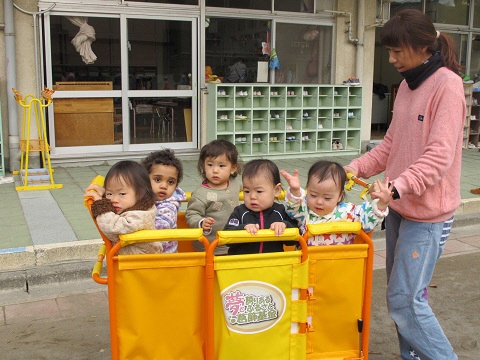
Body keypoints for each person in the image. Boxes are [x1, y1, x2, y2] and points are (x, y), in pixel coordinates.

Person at [344, 9, 463, 360]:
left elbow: (439, 155)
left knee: (405, 301)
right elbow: (391, 145)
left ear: (424, 47)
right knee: (402, 298)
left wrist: (396, 187)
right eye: (389, 51)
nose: (392, 59)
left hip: (427, 216)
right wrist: (353, 169)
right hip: (399, 209)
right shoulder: (408, 86)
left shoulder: (448, 86)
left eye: (398, 51)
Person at [280, 161, 392, 246]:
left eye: (327, 198)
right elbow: (292, 210)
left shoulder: (348, 212)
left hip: (339, 268)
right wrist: (295, 191)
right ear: (307, 190)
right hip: (308, 267)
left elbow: (368, 219)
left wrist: (382, 204)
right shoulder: (304, 209)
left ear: (339, 196)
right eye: (313, 195)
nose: (319, 201)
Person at [224, 159, 298, 255]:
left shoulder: (280, 211)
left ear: (276, 190)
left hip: (272, 266)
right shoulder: (239, 211)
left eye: (259, 191)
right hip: (243, 266)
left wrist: (285, 226)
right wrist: (243, 228)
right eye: (247, 191)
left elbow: (295, 240)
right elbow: (227, 238)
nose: (252, 196)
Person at [88, 160, 162, 255]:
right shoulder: (131, 204)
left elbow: (114, 228)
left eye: (122, 194)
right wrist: (103, 194)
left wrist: (101, 203)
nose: (114, 199)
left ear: (140, 194)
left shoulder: (140, 215)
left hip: (142, 262)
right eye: (109, 193)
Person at [186, 140, 241, 255]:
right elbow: (191, 214)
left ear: (233, 168)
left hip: (233, 241)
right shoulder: (201, 193)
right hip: (210, 246)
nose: (215, 170)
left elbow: (250, 187)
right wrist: (201, 222)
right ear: (204, 166)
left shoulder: (235, 183)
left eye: (221, 166)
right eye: (210, 165)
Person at [141, 149, 187, 253]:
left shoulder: (169, 206)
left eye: (170, 182)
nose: (164, 186)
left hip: (164, 259)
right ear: (145, 179)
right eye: (157, 180)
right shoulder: (143, 195)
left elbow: (161, 226)